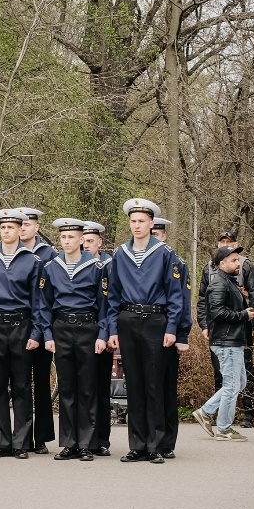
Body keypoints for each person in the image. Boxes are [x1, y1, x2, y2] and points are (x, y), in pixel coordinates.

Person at [104, 199, 185, 464]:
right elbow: (112, 294)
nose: (137, 226)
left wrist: (172, 328)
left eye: (142, 221)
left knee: (154, 385)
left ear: (152, 224)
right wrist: (113, 328)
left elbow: (175, 295)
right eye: (133, 221)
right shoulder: (120, 254)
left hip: (154, 320)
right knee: (134, 384)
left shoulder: (164, 253)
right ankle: (137, 445)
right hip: (128, 319)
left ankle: (156, 445)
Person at [0, 209, 43, 460]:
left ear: (19, 230)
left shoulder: (32, 261)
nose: (6, 232)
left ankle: (21, 442)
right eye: (2, 228)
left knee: (22, 385)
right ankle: (0, 442)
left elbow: (38, 301)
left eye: (11, 228)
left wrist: (36, 332)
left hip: (22, 325)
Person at [39, 218, 108, 460]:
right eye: (63, 237)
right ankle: (69, 443)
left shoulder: (97, 267)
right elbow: (44, 305)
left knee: (87, 388)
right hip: (62, 327)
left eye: (71, 237)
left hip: (88, 327)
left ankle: (87, 443)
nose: (67, 241)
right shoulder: (51, 267)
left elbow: (104, 305)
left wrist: (102, 334)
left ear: (81, 240)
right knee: (67, 388)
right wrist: (48, 334)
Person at [196, 230, 254, 427]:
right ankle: (224, 427)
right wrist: (243, 316)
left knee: (239, 383)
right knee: (231, 385)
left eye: (237, 259)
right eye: (234, 260)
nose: (238, 263)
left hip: (235, 338)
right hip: (226, 340)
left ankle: (206, 411)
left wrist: (249, 328)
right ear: (222, 264)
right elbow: (216, 312)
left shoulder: (230, 280)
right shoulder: (218, 283)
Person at [152, 217, 192, 459]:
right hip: (146, 328)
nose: (154, 238)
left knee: (166, 388)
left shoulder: (175, 261)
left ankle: (167, 441)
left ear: (164, 236)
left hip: (168, 329)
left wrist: (181, 333)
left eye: (157, 234)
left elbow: (183, 300)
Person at [17, 206, 55, 452]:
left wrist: (45, 329)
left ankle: (40, 437)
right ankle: (21, 435)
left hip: (42, 325)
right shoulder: (11, 254)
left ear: (36, 227)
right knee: (19, 382)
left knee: (41, 382)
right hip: (18, 326)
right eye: (19, 225)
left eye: (27, 224)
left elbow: (50, 294)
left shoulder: (49, 254)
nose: (22, 229)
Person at [82, 221, 115, 456]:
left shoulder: (109, 266)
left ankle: (101, 439)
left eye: (90, 241)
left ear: (100, 243)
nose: (86, 244)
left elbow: (112, 303)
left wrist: (110, 333)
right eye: (83, 240)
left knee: (100, 388)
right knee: (83, 388)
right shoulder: (74, 264)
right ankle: (84, 438)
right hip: (80, 332)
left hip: (101, 330)